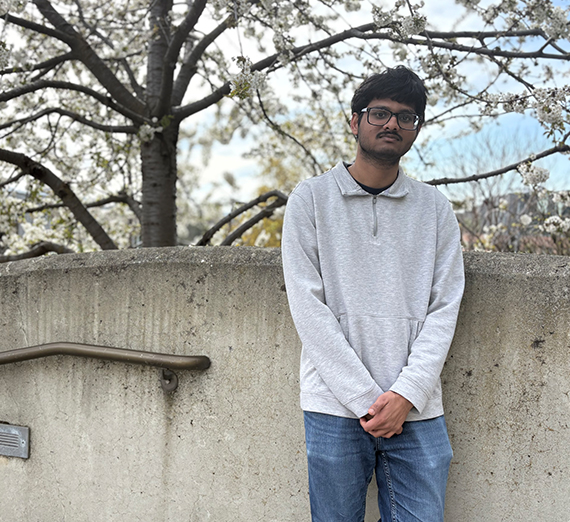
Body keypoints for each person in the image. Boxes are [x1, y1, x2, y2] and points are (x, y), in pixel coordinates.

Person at [281, 66, 465, 522]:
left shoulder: (435, 209)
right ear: (355, 121)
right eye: (379, 112)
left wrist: (405, 394)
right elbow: (308, 307)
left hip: (416, 407)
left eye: (406, 117)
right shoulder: (310, 199)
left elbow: (445, 307)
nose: (392, 124)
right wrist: (367, 398)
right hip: (333, 405)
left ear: (416, 128)